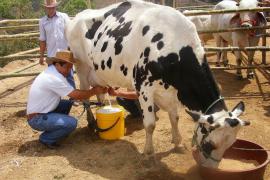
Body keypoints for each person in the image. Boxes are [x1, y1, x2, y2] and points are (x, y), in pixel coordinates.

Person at [27, 50, 107, 149]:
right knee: (72, 123)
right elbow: (74, 95)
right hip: (36, 118)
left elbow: (73, 95)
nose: (69, 71)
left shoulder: (53, 72)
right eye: (67, 67)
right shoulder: (53, 78)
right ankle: (46, 138)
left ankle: (57, 128)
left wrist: (83, 96)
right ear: (57, 64)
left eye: (70, 67)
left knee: (68, 103)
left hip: (41, 111)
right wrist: (94, 91)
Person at [39, 0, 75, 88]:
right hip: (52, 55)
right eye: (49, 8)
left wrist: (72, 51)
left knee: (69, 76)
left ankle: (74, 99)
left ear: (55, 7)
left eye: (52, 7)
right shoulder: (42, 21)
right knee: (54, 78)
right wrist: (41, 56)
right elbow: (42, 40)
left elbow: (71, 33)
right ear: (45, 8)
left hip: (65, 53)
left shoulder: (64, 17)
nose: (51, 9)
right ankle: (56, 100)